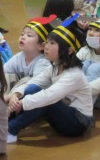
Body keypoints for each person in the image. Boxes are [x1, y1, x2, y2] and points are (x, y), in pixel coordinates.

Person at [6, 14, 93, 142]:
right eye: (47, 42)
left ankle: (10, 130)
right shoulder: (55, 67)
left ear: (69, 51)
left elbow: (49, 96)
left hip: (78, 123)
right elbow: (34, 82)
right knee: (32, 89)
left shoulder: (74, 74)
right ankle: (5, 122)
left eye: (52, 43)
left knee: (44, 99)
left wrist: (22, 103)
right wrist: (16, 94)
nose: (46, 46)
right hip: (64, 113)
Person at [2, 15, 54, 96]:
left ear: (41, 46)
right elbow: (3, 70)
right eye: (22, 34)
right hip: (17, 94)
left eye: (29, 35)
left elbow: (35, 85)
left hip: (35, 96)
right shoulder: (19, 57)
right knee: (5, 76)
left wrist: (14, 94)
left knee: (26, 80)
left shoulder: (43, 62)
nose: (23, 37)